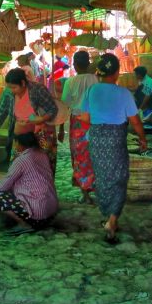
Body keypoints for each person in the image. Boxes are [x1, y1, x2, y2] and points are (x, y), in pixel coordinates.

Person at [81, 53, 147, 244]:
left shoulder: (92, 91)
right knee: (119, 178)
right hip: (115, 139)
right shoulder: (124, 93)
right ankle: (112, 219)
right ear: (117, 72)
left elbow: (85, 116)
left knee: (102, 177)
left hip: (96, 138)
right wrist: (143, 139)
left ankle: (107, 213)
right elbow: (135, 121)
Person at [0, 68, 59, 174]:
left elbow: (53, 109)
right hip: (20, 134)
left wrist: (42, 119)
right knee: (18, 166)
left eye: (14, 87)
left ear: (23, 83)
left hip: (42, 133)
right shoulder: (8, 93)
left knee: (42, 167)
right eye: (9, 87)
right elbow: (1, 112)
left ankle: (43, 189)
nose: (11, 90)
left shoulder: (38, 89)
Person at [0, 132, 58, 235]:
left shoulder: (21, 160)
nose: (15, 145)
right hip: (51, 213)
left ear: (21, 144)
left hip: (38, 217)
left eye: (16, 142)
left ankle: (24, 224)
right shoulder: (42, 154)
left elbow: (3, 186)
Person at [60, 50, 97, 204]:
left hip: (77, 123)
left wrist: (61, 128)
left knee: (79, 157)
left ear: (74, 65)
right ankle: (95, 189)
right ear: (88, 63)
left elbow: (63, 107)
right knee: (94, 156)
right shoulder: (96, 80)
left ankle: (85, 194)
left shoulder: (70, 82)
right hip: (95, 121)